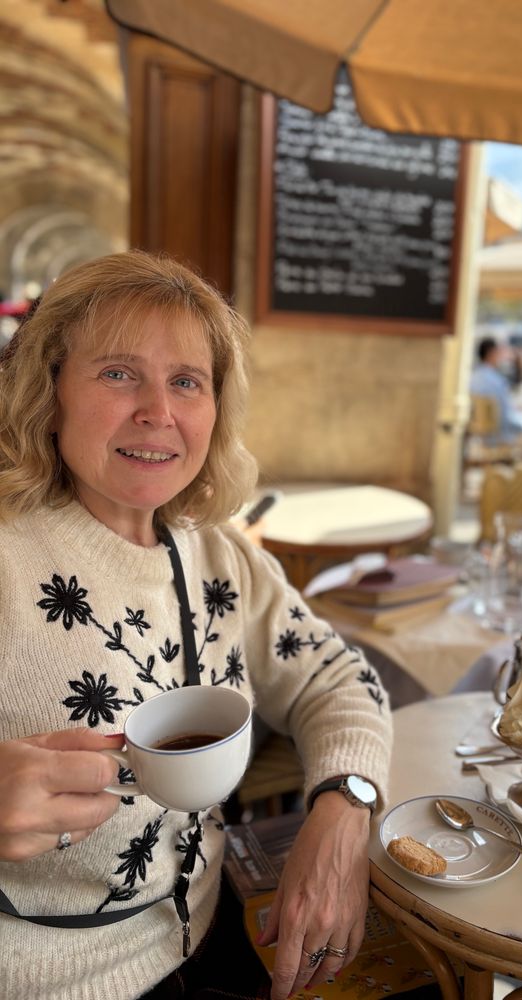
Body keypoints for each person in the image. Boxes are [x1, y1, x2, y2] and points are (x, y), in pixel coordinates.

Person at [0, 251, 392, 1000]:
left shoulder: (218, 556)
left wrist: (344, 809)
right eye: (118, 373)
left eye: (187, 381)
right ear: (48, 390)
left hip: (217, 942)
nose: (159, 411)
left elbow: (340, 678)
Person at [469, 337, 522, 445]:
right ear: (492, 353)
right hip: (499, 438)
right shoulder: (497, 381)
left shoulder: (472, 378)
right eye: (499, 352)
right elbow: (506, 418)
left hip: (478, 436)